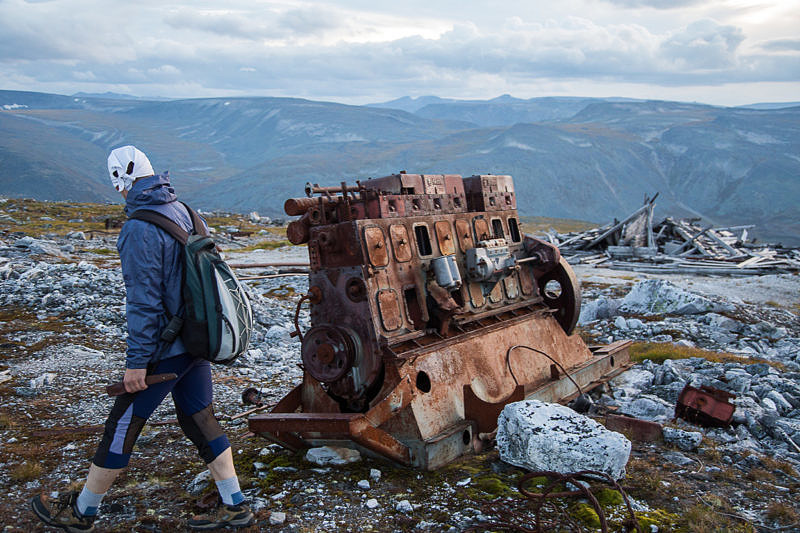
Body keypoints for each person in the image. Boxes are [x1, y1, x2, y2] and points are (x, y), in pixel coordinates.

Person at [31, 146, 253, 531]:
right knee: (200, 418)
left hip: (166, 350)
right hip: (199, 340)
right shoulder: (186, 211)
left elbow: (144, 302)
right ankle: (236, 504)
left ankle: (83, 512)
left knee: (122, 424)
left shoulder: (138, 228)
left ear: (121, 179)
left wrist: (137, 363)